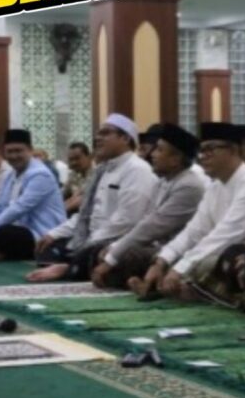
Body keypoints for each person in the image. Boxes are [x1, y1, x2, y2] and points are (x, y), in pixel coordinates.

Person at [131, 122, 245, 301]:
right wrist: (161, 262)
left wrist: (178, 270)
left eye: (210, 149)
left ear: (233, 150)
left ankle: (193, 292)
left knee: (210, 261)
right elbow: (193, 231)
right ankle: (170, 288)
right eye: (201, 150)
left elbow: (223, 236)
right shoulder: (216, 186)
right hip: (226, 251)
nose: (203, 156)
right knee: (173, 258)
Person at [25, 114, 157, 283]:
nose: (98, 138)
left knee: (98, 254)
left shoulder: (137, 170)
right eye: (98, 133)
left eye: (105, 133)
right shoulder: (102, 170)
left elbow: (127, 220)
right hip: (93, 238)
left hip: (118, 240)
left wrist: (89, 243)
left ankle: (69, 267)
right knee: (49, 246)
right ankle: (72, 265)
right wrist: (53, 234)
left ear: (125, 138)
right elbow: (85, 215)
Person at [89, 123, 205, 290]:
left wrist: (112, 256)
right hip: (156, 246)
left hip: (177, 250)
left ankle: (150, 284)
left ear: (175, 159)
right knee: (102, 250)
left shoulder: (188, 186)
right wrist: (114, 247)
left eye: (159, 150)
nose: (152, 155)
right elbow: (146, 221)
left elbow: (153, 227)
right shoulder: (164, 181)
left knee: (127, 256)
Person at [0, 130, 66, 262]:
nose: (14, 156)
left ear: (30, 150)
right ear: (4, 153)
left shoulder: (40, 174)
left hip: (42, 234)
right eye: (10, 151)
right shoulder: (11, 175)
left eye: (18, 151)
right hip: (20, 228)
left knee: (5, 233)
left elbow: (19, 208)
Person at [63, 142, 94, 215]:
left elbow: (82, 199)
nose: (74, 162)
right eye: (71, 159)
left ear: (89, 157)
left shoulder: (98, 173)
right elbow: (63, 193)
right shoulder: (74, 174)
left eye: (77, 158)